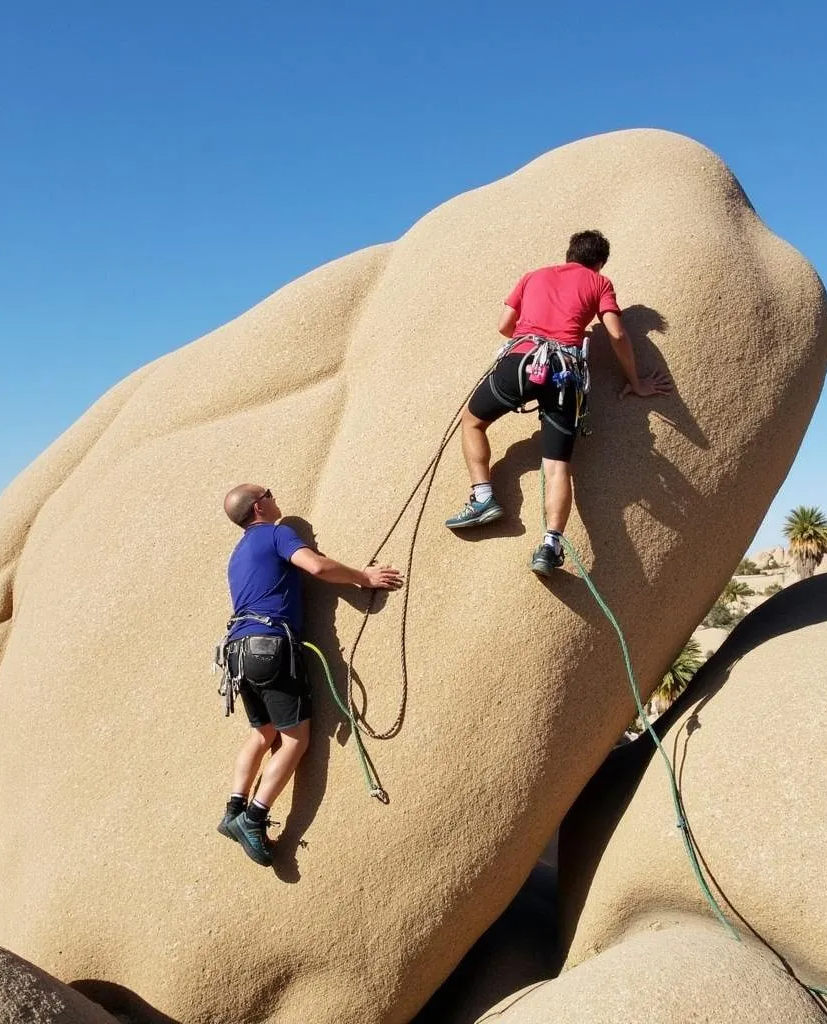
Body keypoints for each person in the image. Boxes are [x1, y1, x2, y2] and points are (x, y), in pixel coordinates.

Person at [444, 230, 673, 574]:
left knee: (473, 421)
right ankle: (550, 546)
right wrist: (636, 382)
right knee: (557, 466)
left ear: (569, 254)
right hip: (565, 375)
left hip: (522, 362)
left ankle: (483, 498)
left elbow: (504, 325)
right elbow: (616, 333)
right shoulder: (599, 283)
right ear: (599, 263)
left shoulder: (534, 276)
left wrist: (531, 333)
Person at [217, 484, 403, 866]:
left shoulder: (237, 554)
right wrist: (363, 577)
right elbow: (315, 566)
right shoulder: (276, 532)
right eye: (267, 492)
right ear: (259, 506)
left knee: (261, 733)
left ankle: (233, 808)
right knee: (294, 740)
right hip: (271, 648)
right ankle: (253, 818)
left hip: (238, 653)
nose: (273, 495)